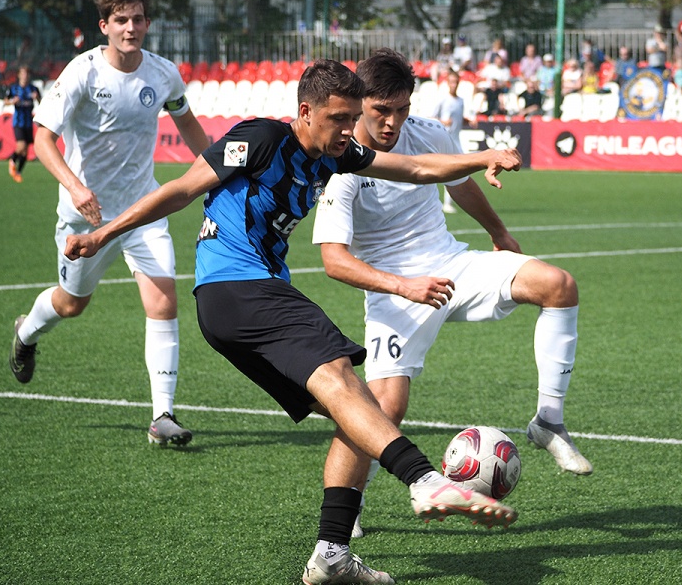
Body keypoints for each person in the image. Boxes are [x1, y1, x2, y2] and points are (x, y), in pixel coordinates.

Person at [64, 56, 522, 585]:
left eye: (352, 118)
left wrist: (483, 156)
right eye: (338, 119)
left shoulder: (339, 154)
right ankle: (425, 481)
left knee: (356, 412)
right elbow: (182, 189)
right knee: (345, 382)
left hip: (235, 306)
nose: (348, 130)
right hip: (240, 287)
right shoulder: (261, 138)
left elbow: (418, 169)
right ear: (305, 112)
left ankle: (332, 554)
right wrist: (103, 234)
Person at [311, 48, 590, 541]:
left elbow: (459, 185)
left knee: (558, 285)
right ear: (360, 104)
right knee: (382, 408)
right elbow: (334, 262)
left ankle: (549, 421)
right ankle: (349, 503)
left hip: (453, 264)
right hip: (396, 290)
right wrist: (404, 285)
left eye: (402, 109)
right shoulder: (342, 165)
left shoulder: (429, 133)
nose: (393, 122)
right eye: (381, 110)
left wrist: (498, 232)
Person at [9, 0, 209, 447]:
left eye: (137, 19)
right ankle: (27, 332)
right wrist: (76, 188)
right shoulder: (82, 72)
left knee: (163, 301)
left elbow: (187, 123)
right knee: (71, 304)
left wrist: (222, 169)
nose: (130, 28)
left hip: (144, 209)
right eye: (121, 20)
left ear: (147, 24)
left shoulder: (163, 74)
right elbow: (42, 140)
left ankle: (162, 416)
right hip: (87, 217)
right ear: (104, 26)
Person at [431, 70, 476, 213]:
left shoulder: (461, 101)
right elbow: (431, 118)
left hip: (456, 139)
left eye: (456, 82)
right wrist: (443, 121)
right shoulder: (443, 100)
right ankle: (443, 203)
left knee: (458, 172)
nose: (453, 85)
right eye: (451, 82)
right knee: (448, 171)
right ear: (447, 83)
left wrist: (468, 121)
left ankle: (449, 202)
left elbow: (459, 119)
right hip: (444, 139)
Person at [3, 66, 41, 183]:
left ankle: (18, 173)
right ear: (19, 75)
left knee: (25, 151)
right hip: (18, 122)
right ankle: (12, 161)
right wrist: (12, 101)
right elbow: (5, 101)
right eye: (23, 74)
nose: (25, 76)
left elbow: (41, 102)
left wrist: (37, 98)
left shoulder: (33, 88)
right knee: (21, 146)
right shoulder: (14, 88)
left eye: (26, 74)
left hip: (29, 122)